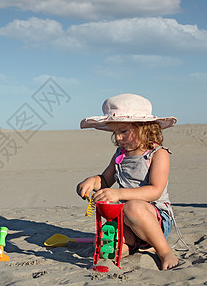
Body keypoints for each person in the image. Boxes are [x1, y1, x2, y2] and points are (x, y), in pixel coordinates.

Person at [76, 93, 179, 270]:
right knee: (104, 244)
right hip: (127, 221)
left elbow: (155, 190)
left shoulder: (157, 154)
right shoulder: (120, 156)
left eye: (123, 131)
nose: (117, 138)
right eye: (115, 133)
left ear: (144, 128)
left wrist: (119, 193)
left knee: (133, 207)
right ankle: (136, 244)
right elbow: (106, 180)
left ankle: (164, 250)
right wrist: (92, 182)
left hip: (155, 218)